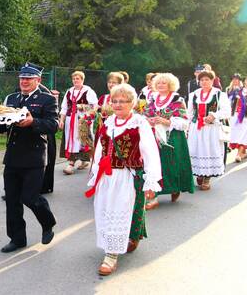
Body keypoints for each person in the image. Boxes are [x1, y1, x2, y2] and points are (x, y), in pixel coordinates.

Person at [86, 83, 162, 276]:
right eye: (115, 101)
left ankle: (111, 255)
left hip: (126, 177)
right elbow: (100, 151)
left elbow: (150, 152)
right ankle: (116, 243)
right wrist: (95, 174)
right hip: (107, 177)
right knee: (104, 210)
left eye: (123, 101)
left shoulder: (139, 123)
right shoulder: (109, 122)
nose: (118, 105)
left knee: (119, 211)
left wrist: (151, 181)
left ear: (132, 103)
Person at [0, 62, 57, 253]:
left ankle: (48, 222)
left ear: (38, 80)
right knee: (12, 200)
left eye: (29, 78)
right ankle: (17, 238)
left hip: (35, 155)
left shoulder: (47, 99)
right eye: (22, 78)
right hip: (13, 155)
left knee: (31, 197)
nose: (24, 81)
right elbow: (3, 125)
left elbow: (53, 125)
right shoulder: (11, 98)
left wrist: (33, 122)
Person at [143, 73, 195, 210]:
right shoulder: (153, 99)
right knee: (153, 164)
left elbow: (184, 122)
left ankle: (175, 188)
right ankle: (152, 195)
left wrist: (166, 121)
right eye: (158, 83)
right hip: (154, 136)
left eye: (164, 83)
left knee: (172, 165)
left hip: (173, 137)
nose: (160, 85)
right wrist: (149, 120)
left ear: (170, 85)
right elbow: (146, 115)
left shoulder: (177, 100)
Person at [187, 70, 231, 190]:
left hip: (212, 129)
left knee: (210, 150)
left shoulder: (219, 95)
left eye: (207, 79)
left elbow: (227, 111)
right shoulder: (194, 95)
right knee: (196, 150)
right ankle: (200, 173)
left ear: (212, 81)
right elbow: (189, 113)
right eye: (202, 80)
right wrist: (187, 127)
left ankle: (207, 178)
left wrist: (214, 115)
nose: (204, 82)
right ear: (198, 81)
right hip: (196, 128)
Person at [59, 71, 98, 174]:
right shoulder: (69, 91)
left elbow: (95, 106)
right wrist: (61, 120)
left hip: (82, 120)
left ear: (82, 80)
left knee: (82, 140)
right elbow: (64, 107)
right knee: (72, 140)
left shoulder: (88, 91)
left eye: (78, 78)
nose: (75, 80)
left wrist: (83, 107)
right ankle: (73, 163)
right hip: (69, 120)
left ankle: (80, 161)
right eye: (74, 79)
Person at [229, 75, 247, 162]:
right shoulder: (237, 91)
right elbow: (230, 102)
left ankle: (238, 155)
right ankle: (243, 153)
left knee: (245, 135)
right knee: (237, 135)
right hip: (236, 116)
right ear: (245, 82)